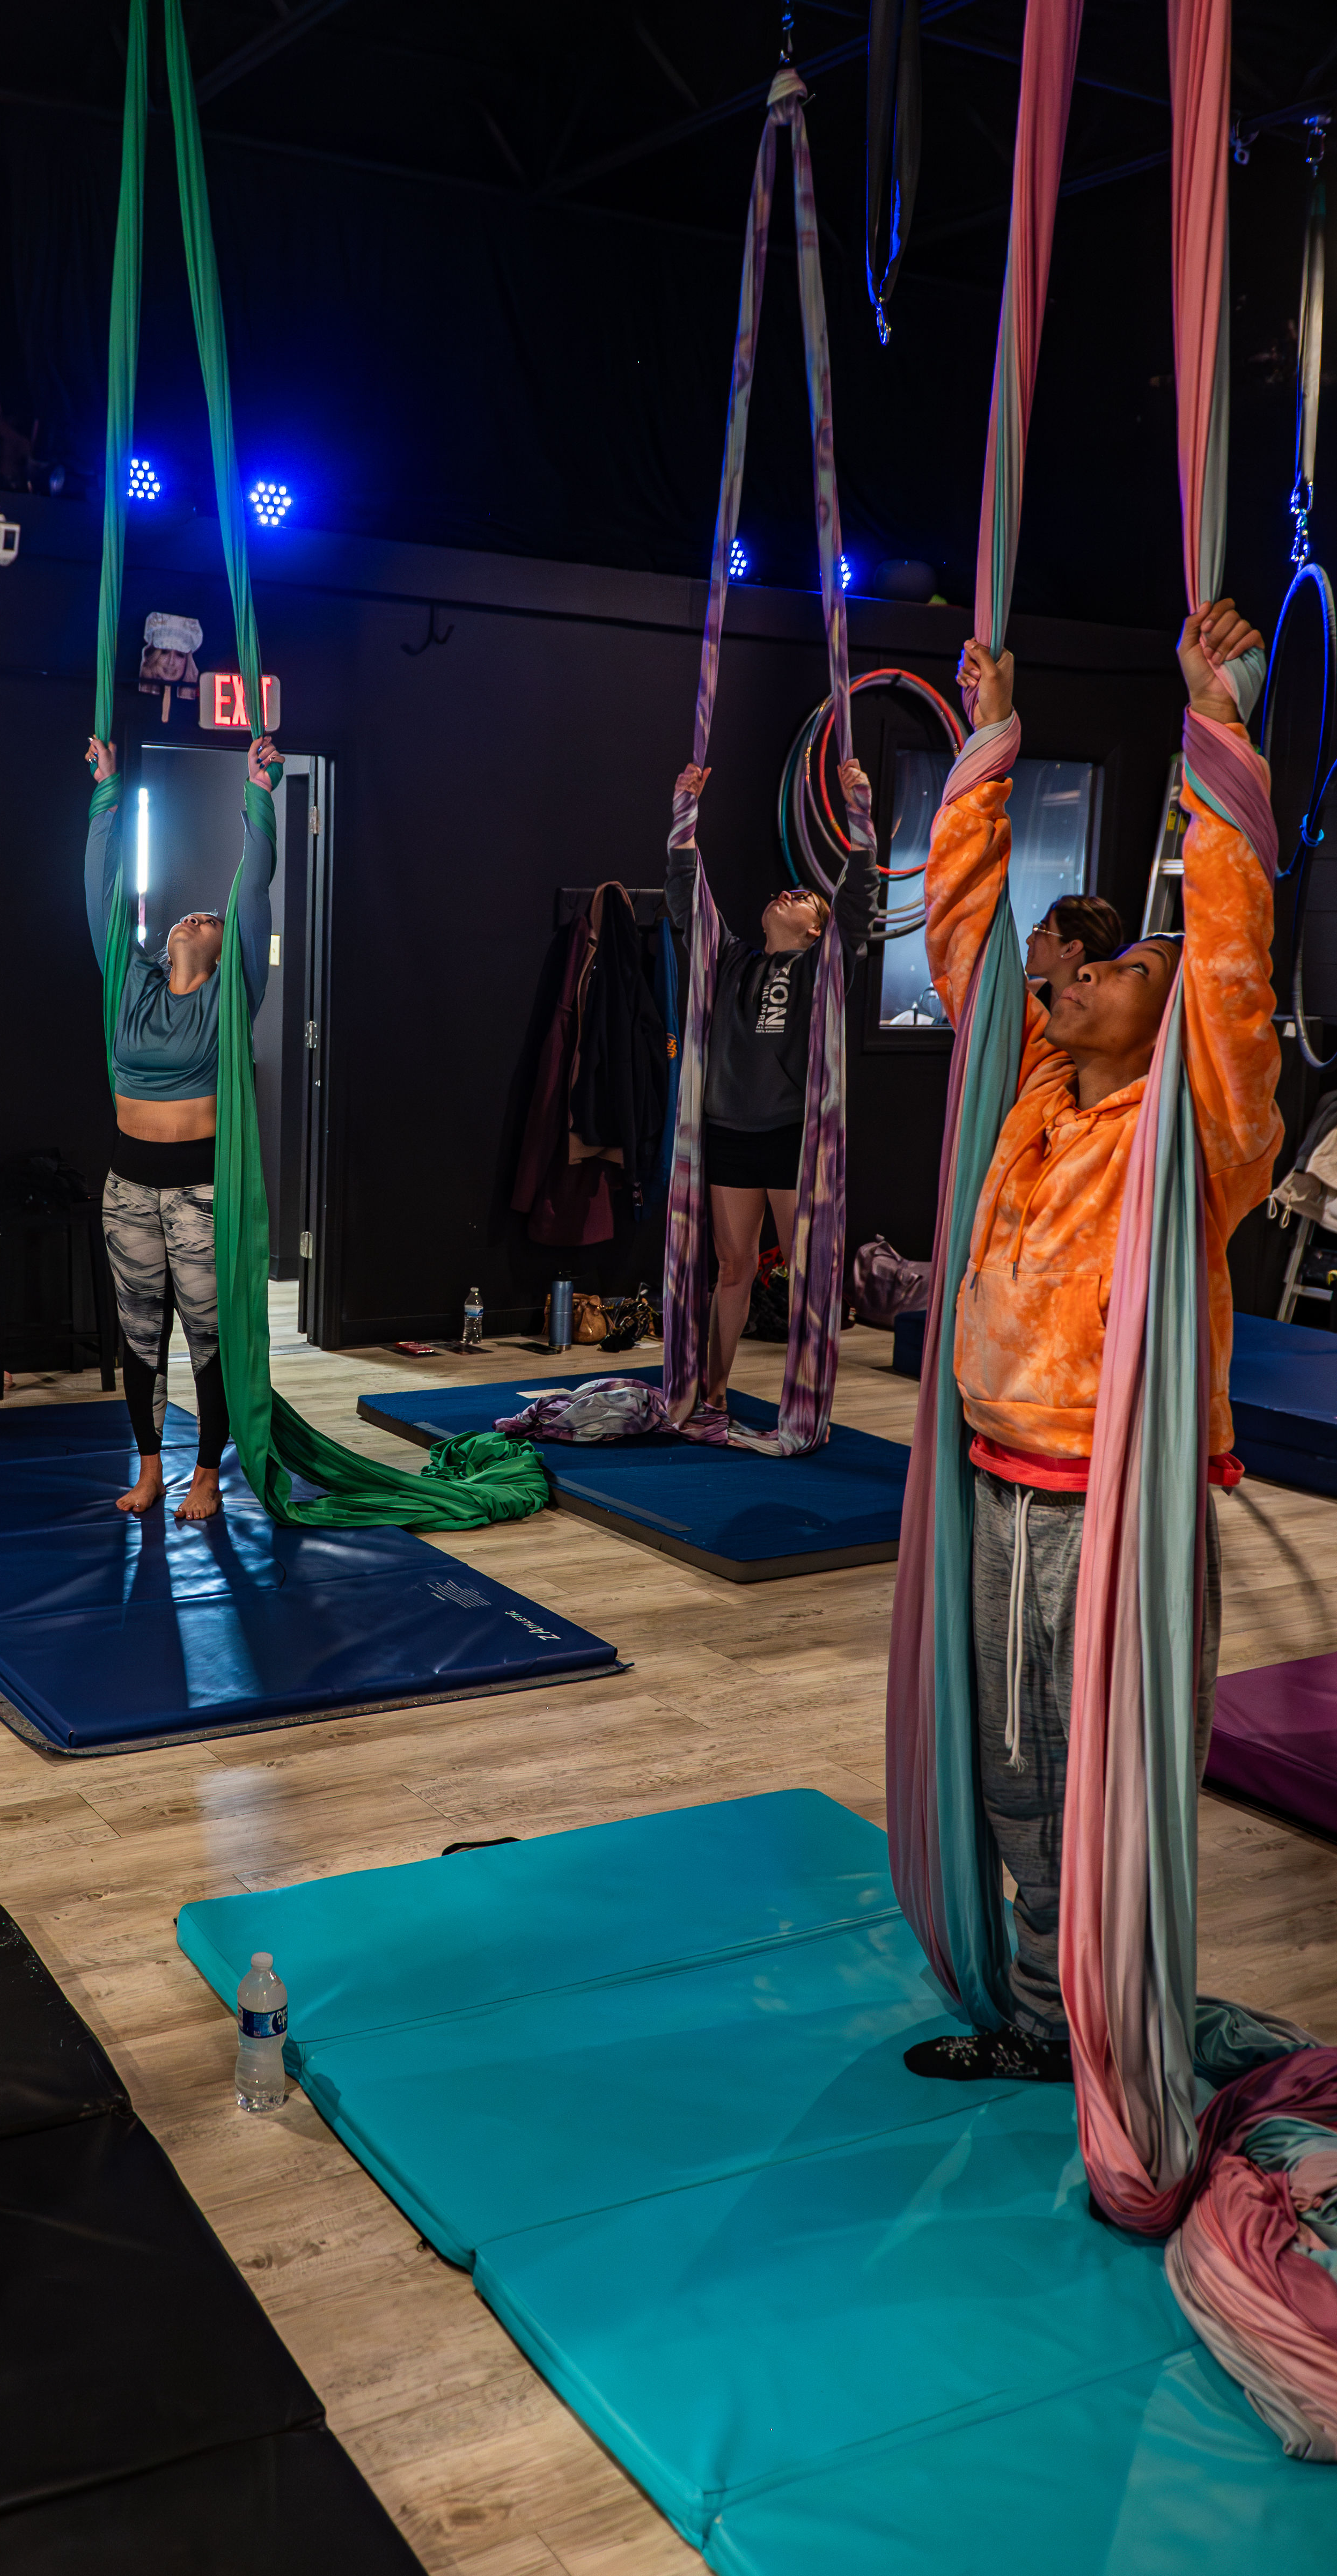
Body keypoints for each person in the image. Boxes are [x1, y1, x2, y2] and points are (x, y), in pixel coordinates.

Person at [902, 607, 1280, 2086]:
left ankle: (1104, 2007)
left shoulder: (1195, 1126)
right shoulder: (1028, 1092)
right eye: (1082, 964)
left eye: (1125, 964)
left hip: (1107, 1499)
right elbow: (963, 932)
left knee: (1105, 1768)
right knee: (1015, 1765)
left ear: (1163, 1009)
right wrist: (985, 742)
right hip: (1004, 1487)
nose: (1086, 970)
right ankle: (1050, 2013)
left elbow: (1235, 966)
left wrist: (1216, 728)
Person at [81, 730, 278, 1521]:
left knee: (205, 1338)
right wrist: (106, 794)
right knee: (139, 1336)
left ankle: (206, 1473)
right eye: (188, 914)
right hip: (128, 1186)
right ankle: (150, 1468)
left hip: (199, 1188)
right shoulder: (129, 987)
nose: (197, 913)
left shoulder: (232, 998)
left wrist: (256, 794)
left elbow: (253, 886)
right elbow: (102, 892)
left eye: (209, 915)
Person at [665, 760, 853, 1409]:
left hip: (789, 1135)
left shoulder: (821, 973)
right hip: (727, 1131)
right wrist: (683, 819)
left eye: (802, 897)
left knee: (803, 1271)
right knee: (732, 1266)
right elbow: (688, 901)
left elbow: (855, 905)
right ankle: (714, 1389)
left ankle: (801, 1402)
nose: (786, 893)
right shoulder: (732, 958)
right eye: (786, 891)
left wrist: (859, 821)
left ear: (813, 930)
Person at [1023, 892, 1123, 1004]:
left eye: (1042, 930)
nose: (1029, 940)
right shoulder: (1031, 994)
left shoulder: (1098, 1016)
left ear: (1071, 949)